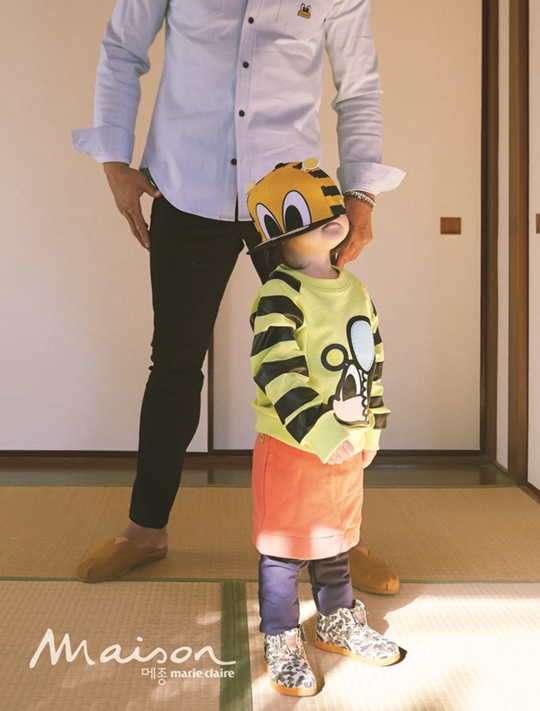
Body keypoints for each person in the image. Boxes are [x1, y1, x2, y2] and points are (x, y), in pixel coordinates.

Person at [71, 0, 405, 590]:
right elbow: (122, 49)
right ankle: (144, 531)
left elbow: (359, 87)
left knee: (330, 366)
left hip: (293, 202)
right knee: (174, 365)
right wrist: (113, 161)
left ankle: (339, 538)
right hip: (185, 185)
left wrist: (361, 192)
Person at [247, 160, 399, 696]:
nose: (332, 215)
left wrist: (372, 429)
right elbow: (275, 369)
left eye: (332, 204)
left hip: (347, 445)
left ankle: (335, 620)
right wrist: (320, 431)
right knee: (285, 551)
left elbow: (372, 361)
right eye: (308, 212)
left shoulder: (356, 288)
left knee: (335, 541)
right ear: (278, 231)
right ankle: (281, 634)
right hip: (294, 445)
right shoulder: (279, 293)